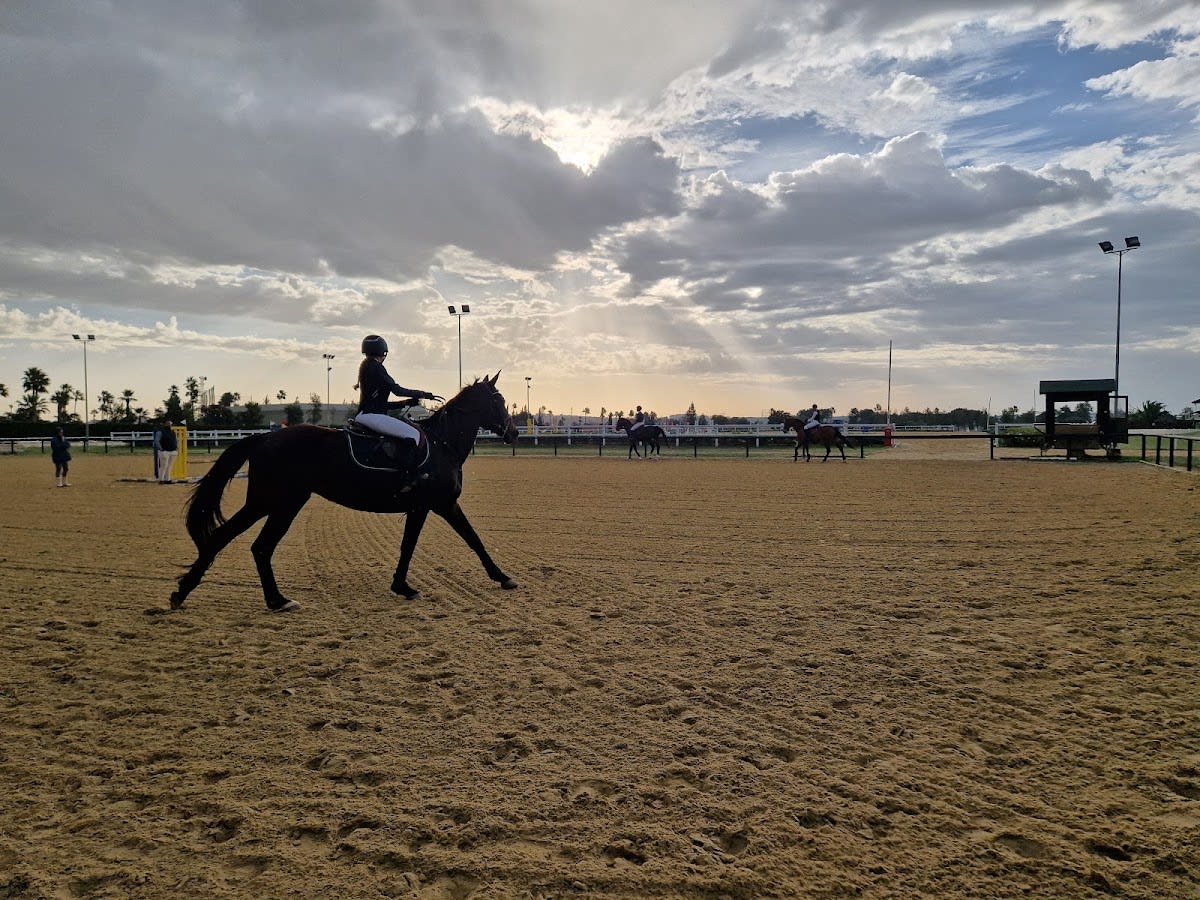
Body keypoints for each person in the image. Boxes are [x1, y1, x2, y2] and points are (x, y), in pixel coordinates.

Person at [352, 334, 442, 489]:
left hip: (367, 415)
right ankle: (408, 477)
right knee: (413, 435)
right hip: (371, 416)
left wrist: (406, 403)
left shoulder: (366, 366)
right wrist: (423, 394)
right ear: (383, 353)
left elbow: (381, 404)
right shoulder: (376, 367)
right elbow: (398, 390)